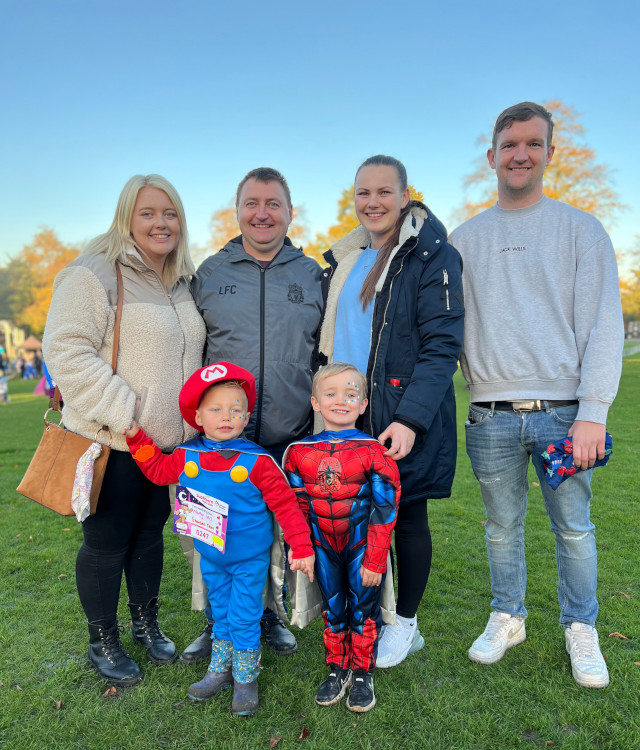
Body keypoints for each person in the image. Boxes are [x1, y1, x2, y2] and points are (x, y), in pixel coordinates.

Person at [449, 102, 624, 688]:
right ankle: (508, 615)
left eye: (532, 143)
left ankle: (581, 627)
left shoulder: (580, 230)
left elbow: (602, 324)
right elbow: (445, 326)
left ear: (551, 152)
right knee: (501, 528)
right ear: (491, 154)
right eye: (509, 144)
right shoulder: (465, 239)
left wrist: (593, 413)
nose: (519, 154)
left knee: (573, 528)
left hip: (563, 415)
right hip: (489, 414)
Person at [42, 174, 206, 686]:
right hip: (111, 442)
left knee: (148, 539)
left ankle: (145, 623)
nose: (161, 223)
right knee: (107, 542)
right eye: (148, 213)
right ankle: (102, 638)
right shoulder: (94, 272)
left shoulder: (181, 280)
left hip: (166, 448)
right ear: (126, 218)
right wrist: (125, 413)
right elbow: (66, 351)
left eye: (170, 213)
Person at [315, 155, 464, 668]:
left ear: (405, 195)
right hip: (346, 414)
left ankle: (407, 623)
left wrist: (411, 418)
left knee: (406, 516)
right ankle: (367, 616)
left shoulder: (432, 256)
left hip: (400, 413)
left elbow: (443, 344)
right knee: (355, 520)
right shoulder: (345, 259)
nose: (372, 202)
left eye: (384, 192)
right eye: (363, 193)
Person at [182, 167, 324, 662]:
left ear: (289, 212)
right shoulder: (210, 273)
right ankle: (215, 621)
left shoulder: (311, 274)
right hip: (219, 437)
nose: (261, 213)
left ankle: (267, 614)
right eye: (251, 203)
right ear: (237, 209)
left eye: (272, 204)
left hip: (286, 431)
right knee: (211, 531)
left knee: (271, 531)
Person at [123, 362, 315, 715]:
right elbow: (157, 470)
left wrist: (301, 546)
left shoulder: (258, 461)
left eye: (235, 410)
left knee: (243, 615)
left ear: (245, 419)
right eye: (216, 409)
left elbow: (287, 505)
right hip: (210, 556)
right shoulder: (186, 455)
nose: (226, 416)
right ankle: (219, 670)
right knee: (220, 613)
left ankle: (245, 676)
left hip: (248, 559)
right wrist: (136, 437)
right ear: (198, 416)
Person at [283, 363, 400, 712]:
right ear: (315, 403)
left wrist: (376, 559)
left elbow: (385, 507)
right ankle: (337, 667)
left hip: (361, 547)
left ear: (363, 405)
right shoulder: (299, 453)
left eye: (351, 394)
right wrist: (300, 548)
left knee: (363, 611)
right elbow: (295, 505)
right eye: (331, 394)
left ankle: (363, 671)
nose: (341, 401)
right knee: (333, 609)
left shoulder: (374, 452)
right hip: (321, 547)